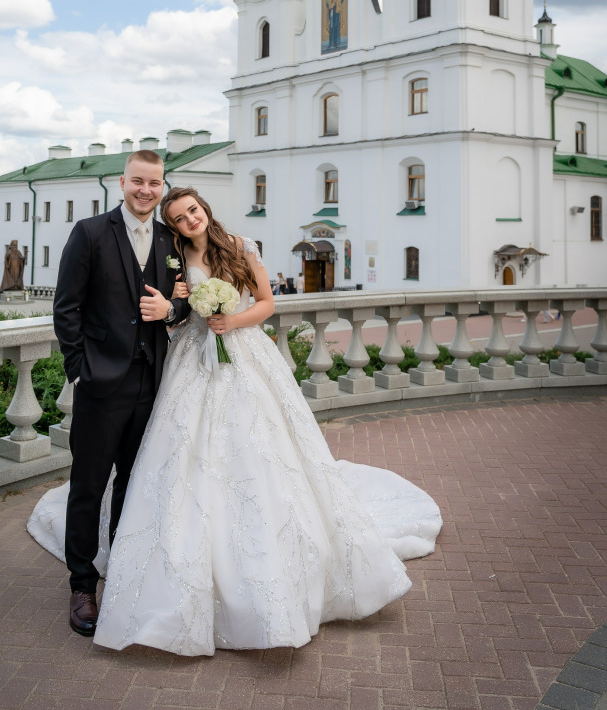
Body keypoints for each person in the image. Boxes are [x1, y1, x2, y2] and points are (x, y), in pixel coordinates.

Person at [28, 186, 441, 655]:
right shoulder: (175, 254)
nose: (190, 221)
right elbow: (174, 311)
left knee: (255, 452)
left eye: (193, 211)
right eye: (180, 217)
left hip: (242, 356)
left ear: (204, 210)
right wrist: (177, 310)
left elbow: (266, 303)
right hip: (189, 362)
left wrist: (231, 321)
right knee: (180, 455)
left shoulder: (242, 247)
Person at [47, 151, 191, 637]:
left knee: (134, 482)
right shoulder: (89, 233)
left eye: (154, 183)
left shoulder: (172, 241)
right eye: (137, 182)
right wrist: (78, 370)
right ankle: (82, 584)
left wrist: (169, 311)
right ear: (121, 182)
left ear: (163, 184)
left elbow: (183, 306)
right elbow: (66, 307)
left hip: (153, 382)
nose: (145, 190)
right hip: (100, 383)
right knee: (88, 485)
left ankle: (124, 571)